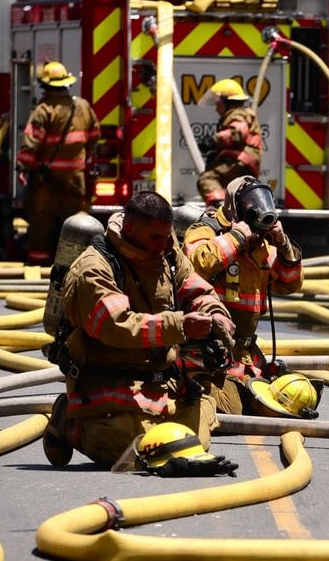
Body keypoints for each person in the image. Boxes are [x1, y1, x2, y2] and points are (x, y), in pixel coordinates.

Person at [44, 191, 234, 468]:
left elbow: (195, 288)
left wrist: (215, 314)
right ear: (130, 229)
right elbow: (117, 326)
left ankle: (159, 427)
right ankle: (67, 421)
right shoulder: (94, 268)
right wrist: (181, 325)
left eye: (167, 236)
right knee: (136, 452)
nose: (164, 244)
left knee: (192, 443)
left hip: (160, 380)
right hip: (108, 380)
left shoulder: (167, 251)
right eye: (155, 237)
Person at [182, 176, 304, 416]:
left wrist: (283, 245)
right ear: (234, 206)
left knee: (293, 399)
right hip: (206, 349)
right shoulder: (207, 229)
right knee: (232, 408)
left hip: (244, 353)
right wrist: (237, 237)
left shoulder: (262, 243)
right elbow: (200, 261)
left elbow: (290, 284)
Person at [17, 61, 98, 266]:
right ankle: (77, 263)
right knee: (76, 222)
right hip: (76, 178)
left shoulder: (44, 110)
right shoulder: (83, 106)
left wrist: (23, 168)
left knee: (42, 221)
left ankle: (39, 263)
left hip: (48, 179)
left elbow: (30, 143)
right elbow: (95, 136)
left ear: (45, 87)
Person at [196, 79, 262, 208]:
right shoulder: (242, 113)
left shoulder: (236, 114)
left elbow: (238, 132)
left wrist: (213, 140)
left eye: (218, 104)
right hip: (246, 160)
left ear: (228, 103)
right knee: (236, 191)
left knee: (207, 179)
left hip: (240, 159)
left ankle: (220, 208)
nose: (216, 108)